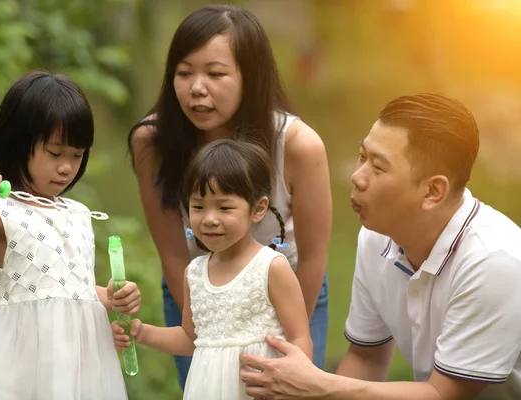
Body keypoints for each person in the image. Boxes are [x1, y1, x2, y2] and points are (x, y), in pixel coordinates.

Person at [239, 93, 521, 400]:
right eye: (363, 156)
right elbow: (366, 357)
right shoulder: (377, 237)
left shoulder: (493, 260)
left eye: (378, 167)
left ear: (433, 191)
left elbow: (444, 394)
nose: (356, 177)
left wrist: (317, 386)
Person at [128, 4, 332, 389]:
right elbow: (173, 253)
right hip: (200, 288)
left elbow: (314, 255)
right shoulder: (153, 142)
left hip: (287, 291)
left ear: (249, 76)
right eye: (184, 73)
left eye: (216, 73)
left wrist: (289, 335)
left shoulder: (298, 145)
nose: (196, 88)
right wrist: (207, 320)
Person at [0, 71, 141, 400]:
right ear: (19, 143)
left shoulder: (77, 212)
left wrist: (108, 296)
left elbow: (65, 288)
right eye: (55, 154)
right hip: (21, 367)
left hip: (84, 367)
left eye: (77, 154)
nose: (67, 167)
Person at [113, 139, 313, 399]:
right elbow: (190, 338)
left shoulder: (270, 267)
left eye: (224, 207)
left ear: (258, 209)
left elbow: (300, 338)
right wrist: (143, 332)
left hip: (259, 390)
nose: (209, 218)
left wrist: (296, 383)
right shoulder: (194, 272)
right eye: (198, 206)